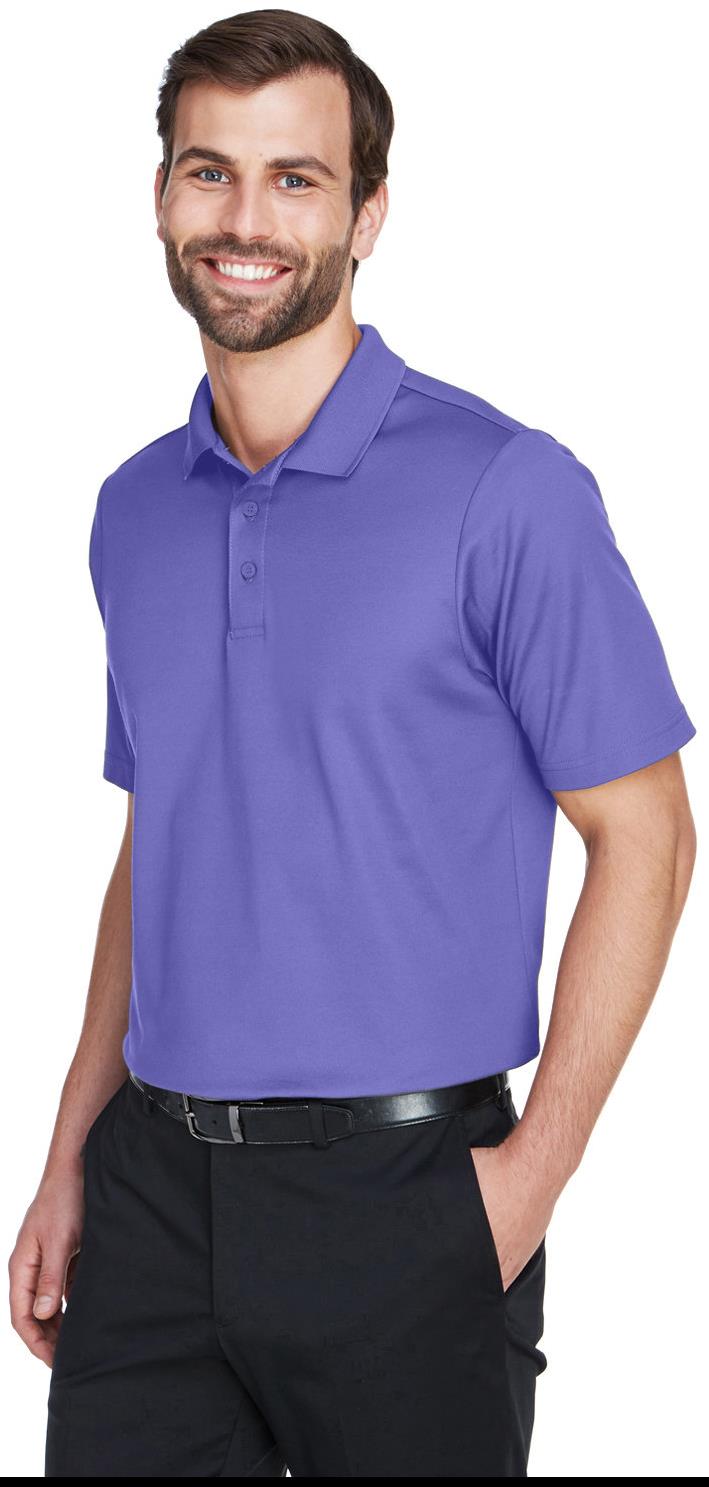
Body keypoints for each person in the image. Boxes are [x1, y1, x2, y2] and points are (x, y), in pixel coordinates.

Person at [9, 9, 697, 1478]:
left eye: (296, 179)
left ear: (366, 214)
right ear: (161, 196)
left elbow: (646, 835)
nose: (245, 220)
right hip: (152, 1198)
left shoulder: (507, 489)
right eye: (211, 171)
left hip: (408, 1193)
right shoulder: (133, 508)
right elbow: (162, 839)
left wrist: (524, 1186)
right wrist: (70, 1153)